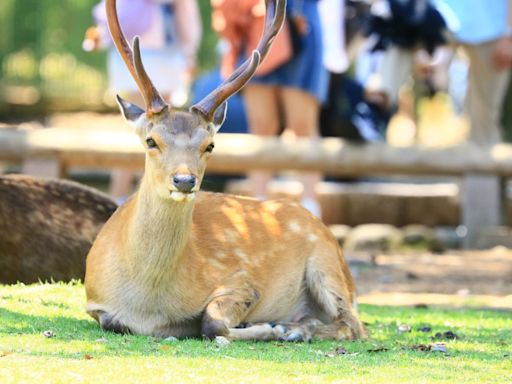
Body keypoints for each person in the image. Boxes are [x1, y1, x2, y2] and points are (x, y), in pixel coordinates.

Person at [212, 0, 328, 217]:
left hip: (299, 23)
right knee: (261, 126)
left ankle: (310, 207)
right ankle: (256, 207)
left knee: (302, 125)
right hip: (255, 22)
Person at [86, 0, 201, 202]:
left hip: (160, 51)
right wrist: (189, 51)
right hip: (143, 51)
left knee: (154, 129)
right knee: (145, 127)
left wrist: (189, 51)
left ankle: (141, 196)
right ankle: (122, 197)